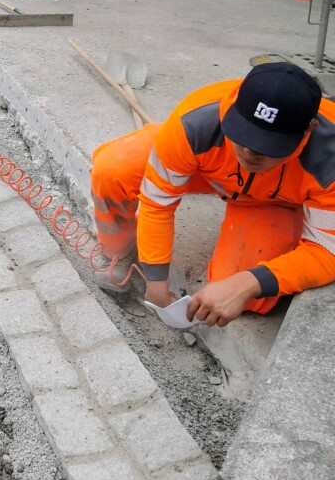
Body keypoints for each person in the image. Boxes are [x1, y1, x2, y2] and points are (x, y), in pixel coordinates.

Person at [90, 62, 335, 327]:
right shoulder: (194, 121)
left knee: (239, 300)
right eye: (243, 134)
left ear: (308, 129)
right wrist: (156, 280)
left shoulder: (330, 160)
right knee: (113, 170)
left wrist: (249, 282)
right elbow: (157, 203)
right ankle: (118, 251)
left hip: (276, 199)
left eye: (268, 145)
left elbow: (326, 252)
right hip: (209, 171)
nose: (249, 152)